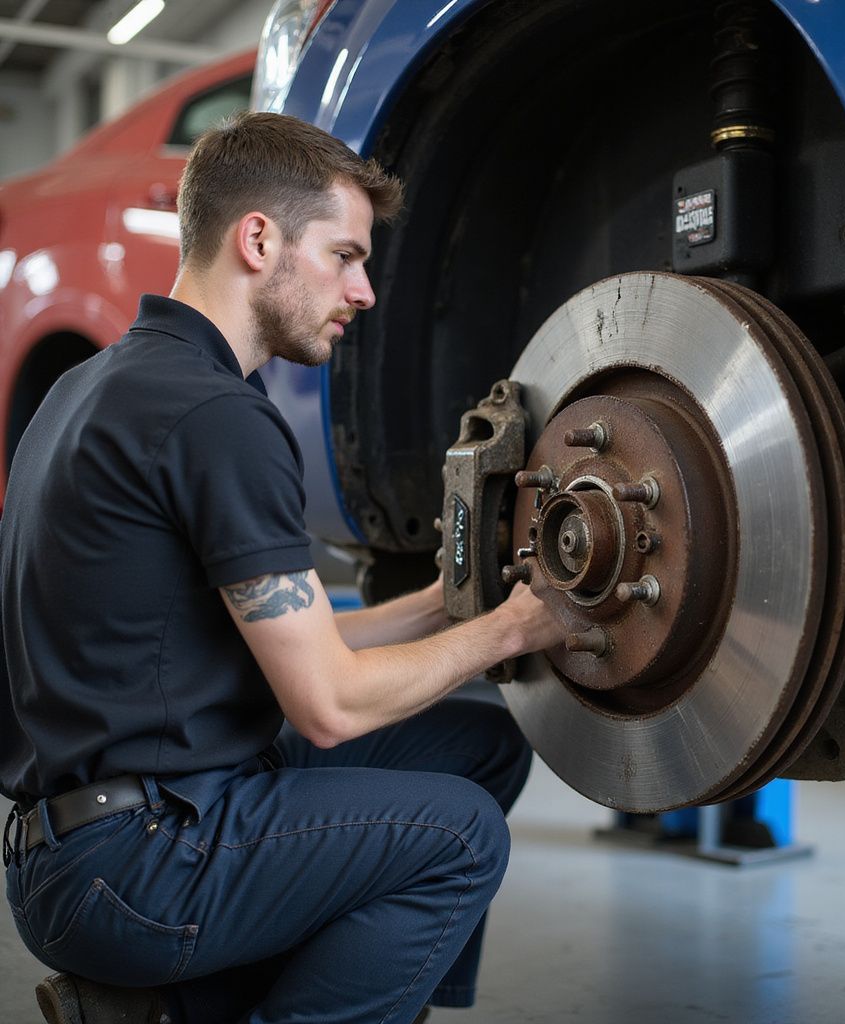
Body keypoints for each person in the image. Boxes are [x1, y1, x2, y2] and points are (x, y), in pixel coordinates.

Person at [1, 111, 565, 1024]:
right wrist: (517, 627)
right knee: (460, 837)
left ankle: (190, 1010)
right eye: (345, 256)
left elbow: (288, 642)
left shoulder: (94, 388)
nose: (367, 290)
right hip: (135, 860)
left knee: (477, 747)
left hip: (71, 844)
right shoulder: (216, 416)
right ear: (258, 240)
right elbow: (329, 704)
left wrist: (444, 605)